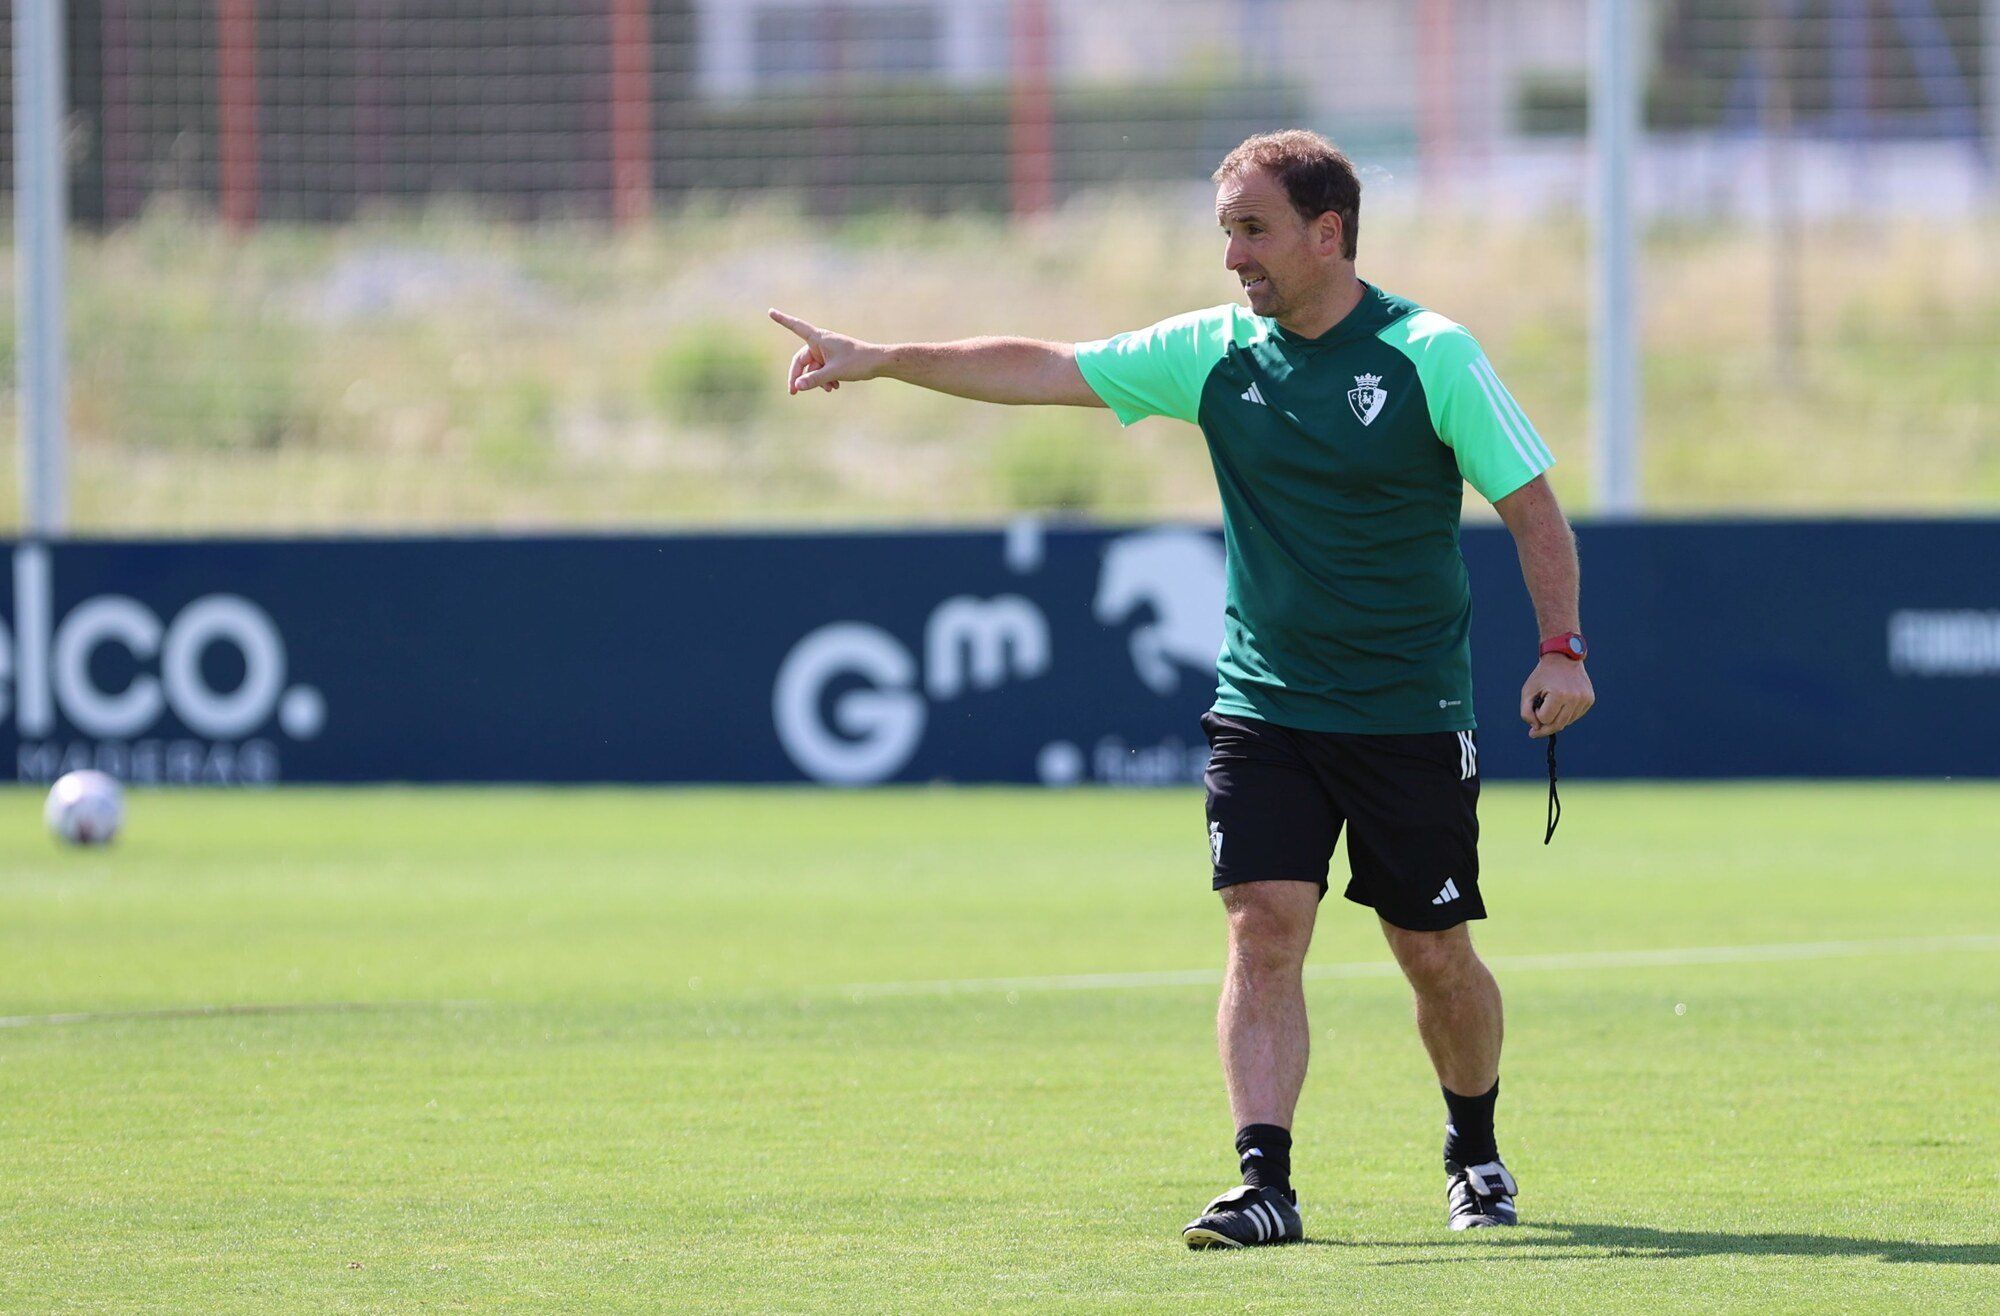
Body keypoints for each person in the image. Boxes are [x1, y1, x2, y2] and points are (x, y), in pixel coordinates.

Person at [769, 128, 1594, 1248]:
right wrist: (879, 355)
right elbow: (1049, 366)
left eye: (1251, 232)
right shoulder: (1214, 351)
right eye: (1223, 234)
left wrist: (1561, 647)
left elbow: (1530, 505)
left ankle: (1474, 1146)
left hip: (1406, 712)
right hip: (1264, 703)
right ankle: (1263, 1180)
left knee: (1430, 950)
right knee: (1262, 927)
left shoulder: (1428, 353)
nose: (1230, 259)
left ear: (1326, 232)